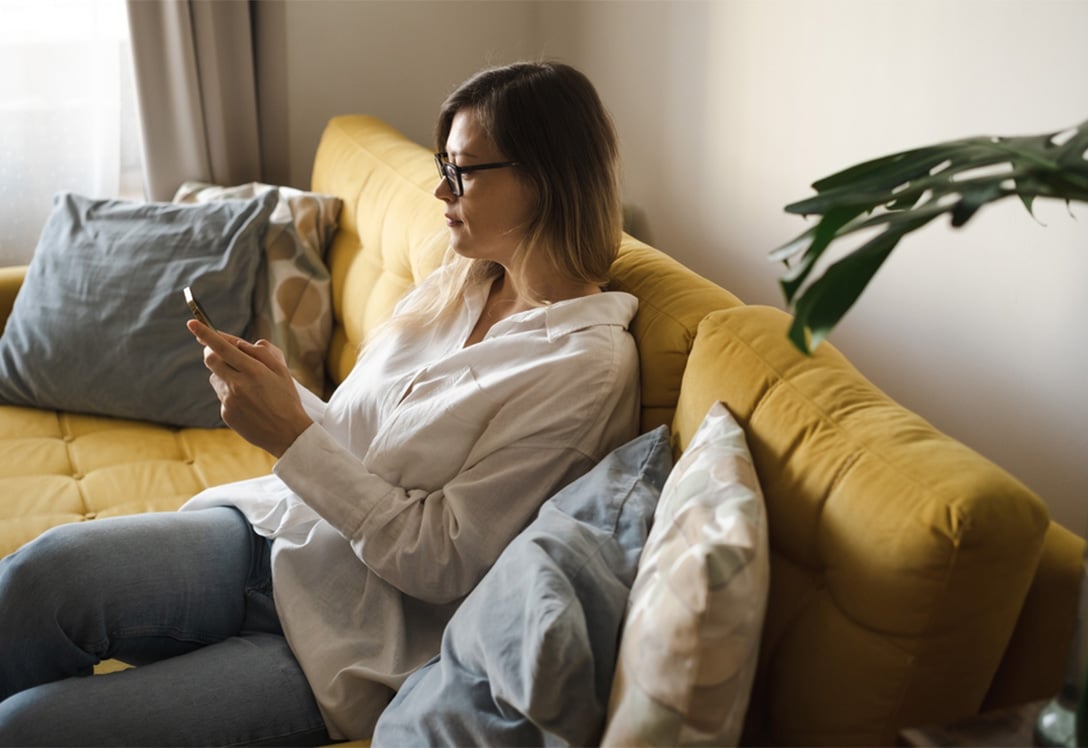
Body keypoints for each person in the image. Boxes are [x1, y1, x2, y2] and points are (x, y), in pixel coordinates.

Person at [0, 60, 640, 746]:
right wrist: (283, 396)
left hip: (342, 642)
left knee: (33, 728)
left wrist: (291, 438)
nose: (438, 189)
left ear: (544, 179)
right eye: (441, 164)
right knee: (39, 578)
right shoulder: (463, 280)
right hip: (274, 538)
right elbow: (367, 438)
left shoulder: (583, 369)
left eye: (462, 170)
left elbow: (447, 559)